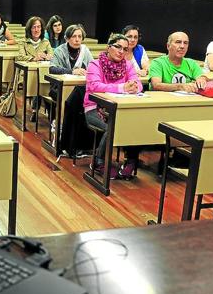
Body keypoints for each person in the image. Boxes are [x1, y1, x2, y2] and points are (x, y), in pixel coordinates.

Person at [85, 34, 143, 179]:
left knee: (137, 124)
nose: (121, 51)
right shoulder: (95, 64)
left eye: (125, 48)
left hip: (120, 109)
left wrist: (135, 87)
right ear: (108, 47)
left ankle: (131, 161)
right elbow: (95, 86)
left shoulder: (128, 65)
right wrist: (122, 87)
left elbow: (138, 83)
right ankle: (98, 162)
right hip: (94, 108)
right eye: (117, 47)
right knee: (112, 127)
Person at [49, 24, 94, 157]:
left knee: (82, 104)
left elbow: (93, 68)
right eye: (74, 36)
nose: (77, 39)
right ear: (67, 38)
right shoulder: (59, 50)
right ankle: (60, 132)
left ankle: (79, 142)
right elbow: (52, 69)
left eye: (80, 36)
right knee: (68, 101)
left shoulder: (85, 51)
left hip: (78, 89)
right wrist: (72, 71)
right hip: (59, 87)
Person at [17, 16, 54, 122]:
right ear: (29, 29)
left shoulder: (45, 42)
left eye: (39, 27)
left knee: (43, 84)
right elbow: (20, 57)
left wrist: (47, 57)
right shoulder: (23, 42)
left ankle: (46, 112)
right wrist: (34, 58)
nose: (37, 30)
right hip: (26, 74)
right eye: (34, 27)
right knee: (38, 85)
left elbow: (52, 55)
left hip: (42, 72)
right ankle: (36, 111)